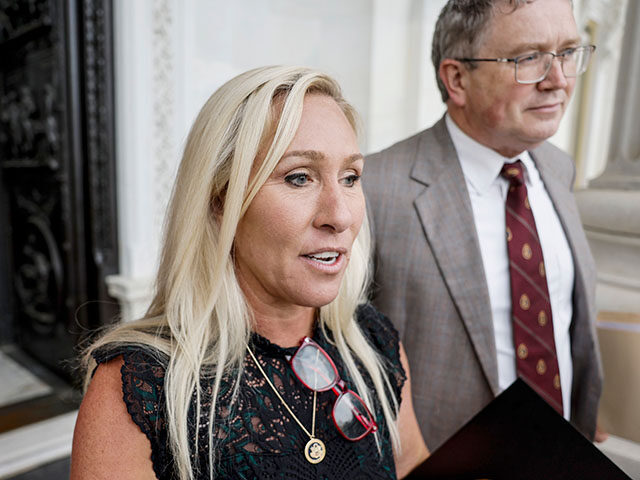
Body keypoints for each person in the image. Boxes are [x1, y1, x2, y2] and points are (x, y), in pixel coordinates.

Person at [70, 66, 428, 480]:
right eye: (299, 178)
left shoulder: (370, 342)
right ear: (221, 201)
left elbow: (413, 463)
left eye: (350, 177)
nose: (341, 215)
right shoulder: (140, 388)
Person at [363, 0, 603, 452]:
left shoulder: (556, 169)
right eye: (529, 58)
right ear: (457, 79)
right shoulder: (374, 190)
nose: (558, 81)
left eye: (568, 52)